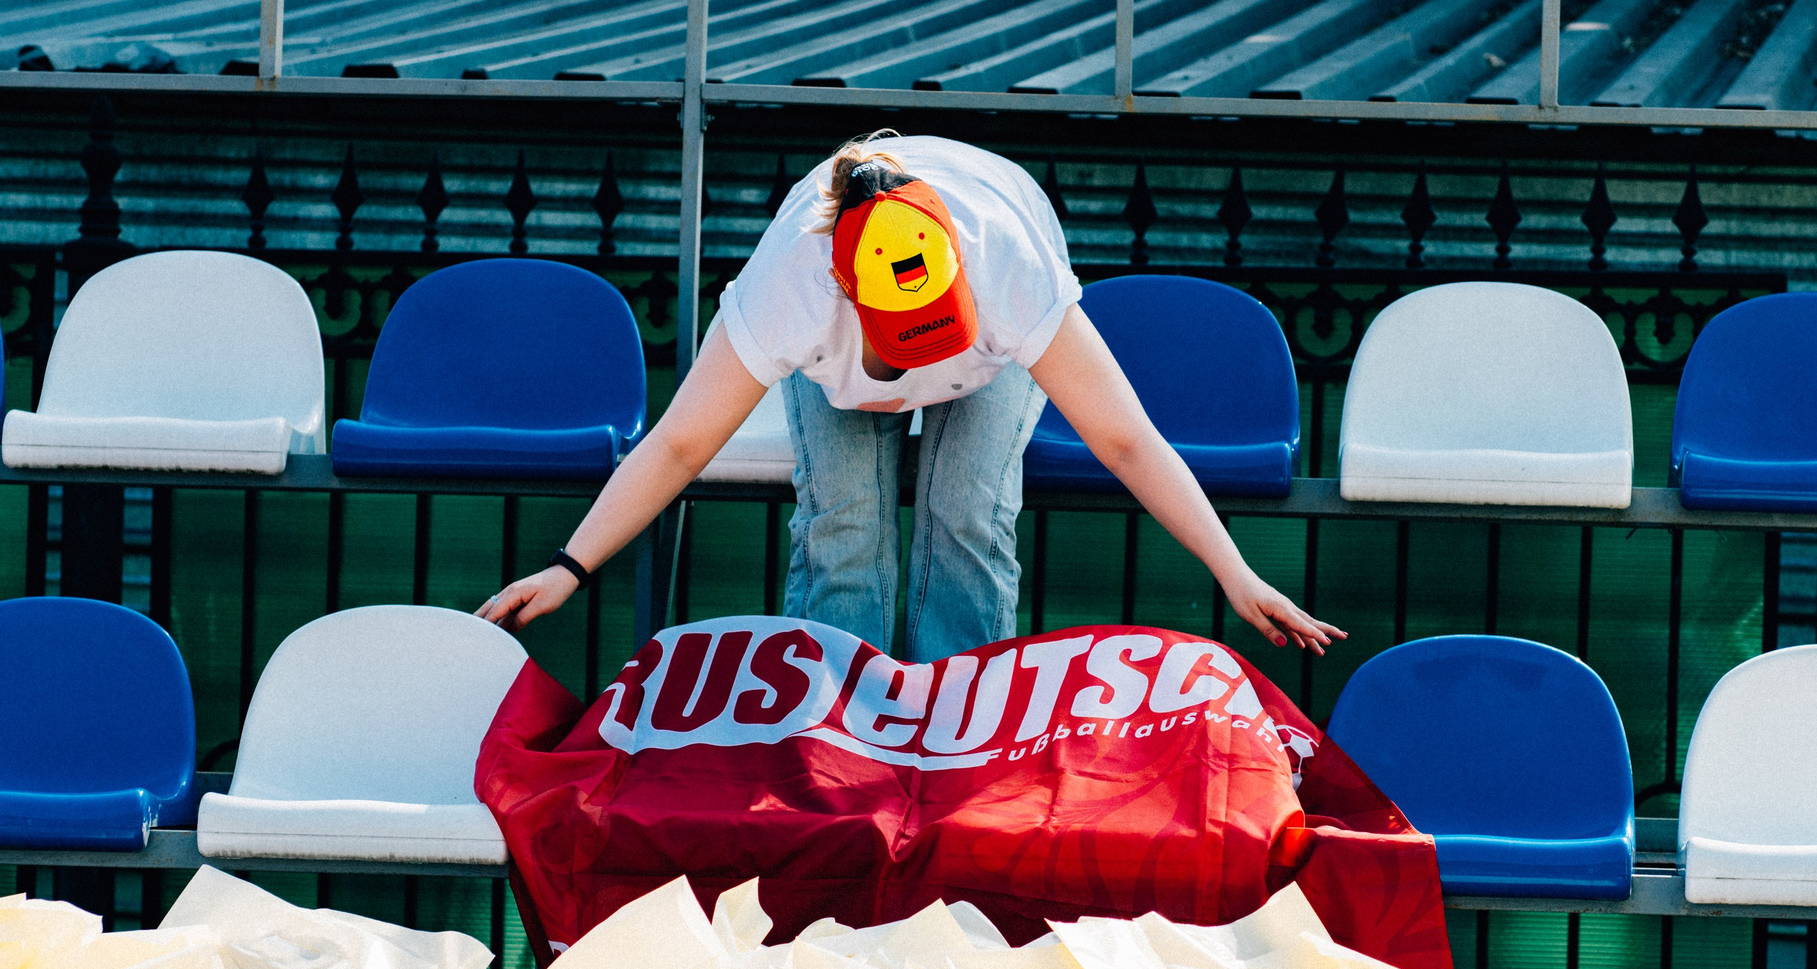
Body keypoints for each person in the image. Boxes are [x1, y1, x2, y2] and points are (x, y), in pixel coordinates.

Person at [478, 131, 1344, 662]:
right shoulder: (794, 285)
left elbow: (1127, 441)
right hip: (836, 377)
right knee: (843, 527)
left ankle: (951, 755)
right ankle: (830, 746)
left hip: (993, 358)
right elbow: (677, 443)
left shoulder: (1009, 270)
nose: (913, 382)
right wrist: (568, 566)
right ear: (848, 296)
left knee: (966, 514)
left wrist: (1235, 574)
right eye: (904, 350)